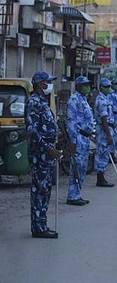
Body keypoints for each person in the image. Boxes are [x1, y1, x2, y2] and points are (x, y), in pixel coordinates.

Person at [25, 71, 62, 239]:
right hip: (40, 154)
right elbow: (32, 130)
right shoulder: (33, 102)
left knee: (45, 189)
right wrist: (48, 148)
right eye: (48, 82)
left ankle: (42, 224)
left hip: (47, 153)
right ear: (41, 84)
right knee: (39, 190)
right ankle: (38, 227)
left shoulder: (42, 101)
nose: (49, 85)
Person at [66, 76, 95, 206]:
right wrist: (72, 141)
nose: (87, 87)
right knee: (76, 167)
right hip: (78, 137)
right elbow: (71, 122)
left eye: (88, 85)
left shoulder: (83, 99)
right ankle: (73, 195)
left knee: (82, 167)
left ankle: (77, 193)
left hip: (85, 137)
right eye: (85, 85)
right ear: (78, 86)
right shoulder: (73, 100)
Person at [94, 78, 116, 188]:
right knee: (102, 153)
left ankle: (102, 177)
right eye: (107, 87)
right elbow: (103, 119)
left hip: (107, 128)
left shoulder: (105, 98)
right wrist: (108, 134)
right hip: (103, 130)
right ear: (101, 88)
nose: (109, 88)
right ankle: (100, 178)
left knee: (105, 153)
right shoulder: (101, 100)